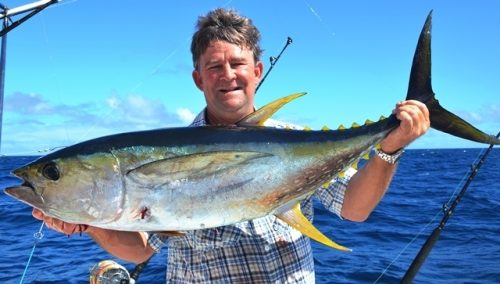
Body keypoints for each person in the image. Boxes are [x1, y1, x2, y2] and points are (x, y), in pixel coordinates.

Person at [33, 8, 430, 283]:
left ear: (256, 71)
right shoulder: (163, 149)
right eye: (214, 66)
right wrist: (89, 225)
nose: (228, 75)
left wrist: (389, 147)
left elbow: (354, 209)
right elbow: (138, 251)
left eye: (238, 64)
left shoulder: (295, 137)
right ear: (198, 79)